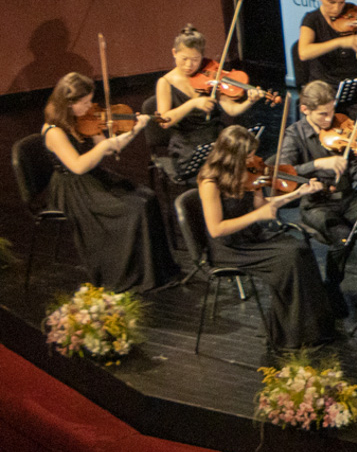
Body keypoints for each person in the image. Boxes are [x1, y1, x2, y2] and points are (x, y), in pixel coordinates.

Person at [197, 125, 337, 351]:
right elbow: (216, 229)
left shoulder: (249, 172)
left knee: (300, 248)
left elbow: (263, 206)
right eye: (247, 156)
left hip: (251, 235)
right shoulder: (210, 183)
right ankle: (290, 336)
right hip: (230, 246)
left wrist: (298, 193)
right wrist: (256, 216)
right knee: (288, 259)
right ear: (231, 155)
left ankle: (315, 328)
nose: (252, 160)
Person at [38, 73, 176, 292]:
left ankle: (157, 272)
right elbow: (78, 166)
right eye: (84, 103)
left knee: (148, 198)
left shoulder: (85, 119)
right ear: (68, 103)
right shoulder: (53, 131)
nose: (89, 107)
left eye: (90, 101)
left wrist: (136, 129)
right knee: (133, 210)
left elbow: (113, 147)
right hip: (72, 187)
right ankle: (131, 275)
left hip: (92, 178)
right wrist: (102, 146)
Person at [278, 81, 357, 289]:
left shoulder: (341, 126)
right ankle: (332, 284)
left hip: (347, 198)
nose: (329, 119)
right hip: (316, 205)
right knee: (343, 238)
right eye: (322, 114)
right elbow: (284, 172)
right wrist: (318, 164)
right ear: (305, 110)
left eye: (331, 111)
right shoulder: (295, 135)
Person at [155, 24, 267, 174]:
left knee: (241, 170)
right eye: (184, 59)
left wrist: (250, 101)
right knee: (217, 174)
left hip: (216, 141)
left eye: (195, 60)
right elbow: (163, 121)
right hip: (187, 148)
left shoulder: (210, 75)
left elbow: (232, 110)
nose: (189, 65)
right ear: (174, 53)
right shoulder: (165, 82)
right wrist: (192, 103)